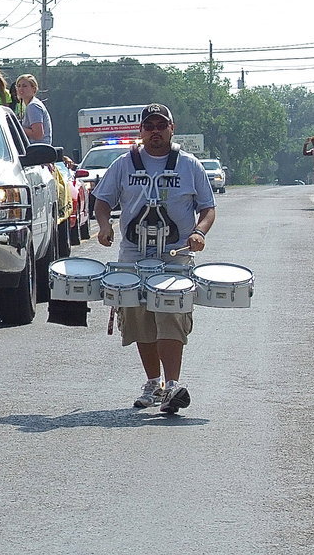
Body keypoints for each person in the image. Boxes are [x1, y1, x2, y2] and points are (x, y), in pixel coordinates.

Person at [93, 104, 216, 414]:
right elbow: (102, 200)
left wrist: (199, 232)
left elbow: (207, 207)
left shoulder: (189, 165)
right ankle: (152, 382)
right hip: (134, 255)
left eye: (162, 125)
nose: (156, 131)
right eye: (150, 126)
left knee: (170, 315)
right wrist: (105, 226)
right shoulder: (124, 164)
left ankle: (172, 384)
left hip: (174, 254)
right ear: (141, 131)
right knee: (138, 318)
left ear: (171, 129)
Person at [13, 74, 52, 145]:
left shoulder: (33, 106)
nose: (21, 88)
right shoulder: (29, 105)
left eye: (24, 86)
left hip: (37, 150)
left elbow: (38, 135)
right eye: (18, 86)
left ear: (34, 89)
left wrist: (17, 127)